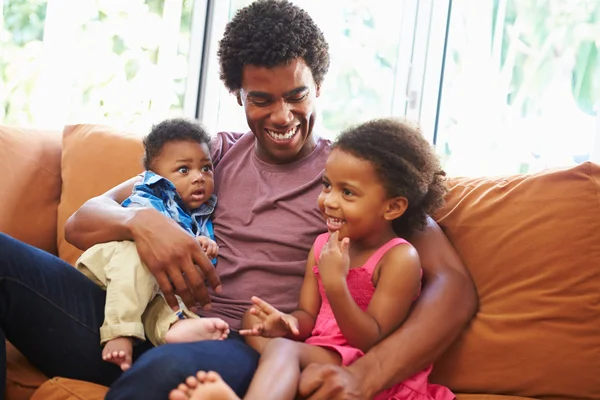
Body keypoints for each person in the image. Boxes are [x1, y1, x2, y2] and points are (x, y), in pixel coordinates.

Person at [0, 1, 477, 399]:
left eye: (297, 95)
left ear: (319, 88)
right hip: (136, 321)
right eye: (261, 99)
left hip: (235, 342)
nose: (282, 115)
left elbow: (453, 288)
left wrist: (365, 376)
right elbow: (83, 221)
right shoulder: (213, 157)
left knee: (163, 375)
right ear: (237, 95)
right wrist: (143, 225)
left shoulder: (350, 179)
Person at [169, 118, 455, 400]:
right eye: (327, 185)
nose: (329, 201)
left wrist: (336, 285)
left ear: (393, 207)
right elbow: (308, 316)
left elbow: (371, 338)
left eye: (348, 193)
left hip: (360, 363)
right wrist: (285, 322)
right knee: (254, 321)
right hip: (320, 349)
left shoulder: (399, 257)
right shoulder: (322, 245)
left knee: (284, 352)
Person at [75, 118, 230, 372]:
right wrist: (191, 241)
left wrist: (205, 249)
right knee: (139, 262)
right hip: (114, 266)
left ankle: (174, 328)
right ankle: (120, 332)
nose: (199, 178)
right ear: (155, 177)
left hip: (147, 284)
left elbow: (192, 262)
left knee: (162, 299)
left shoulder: (202, 213)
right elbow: (154, 233)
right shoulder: (150, 194)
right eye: (184, 170)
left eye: (206, 168)